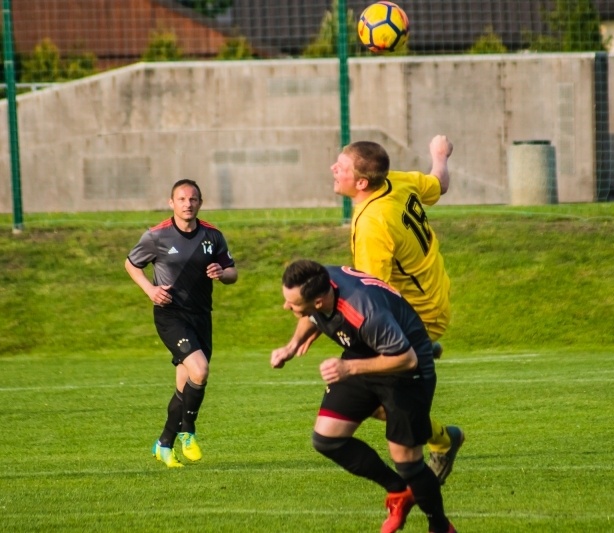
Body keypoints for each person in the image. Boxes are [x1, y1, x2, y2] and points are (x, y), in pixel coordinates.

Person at [271, 260, 456, 533]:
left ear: (319, 301)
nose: (286, 307)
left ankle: (440, 526)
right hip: (364, 354)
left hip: (407, 370)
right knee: (327, 439)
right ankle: (399, 491)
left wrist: (348, 368)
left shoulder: (364, 312)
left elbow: (407, 359)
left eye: (292, 303)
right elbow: (310, 316)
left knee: (406, 461)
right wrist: (291, 346)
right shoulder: (320, 280)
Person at [329, 134, 464, 485]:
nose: (333, 169)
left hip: (417, 315)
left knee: (370, 400)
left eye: (341, 167)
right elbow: (438, 184)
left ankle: (443, 439)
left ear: (362, 182)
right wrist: (439, 155)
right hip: (431, 299)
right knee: (365, 391)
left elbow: (373, 296)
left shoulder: (373, 224)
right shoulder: (395, 182)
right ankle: (422, 351)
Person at [125, 179, 238, 467]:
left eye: (193, 199)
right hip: (170, 314)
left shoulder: (213, 235)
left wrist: (221, 273)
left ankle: (164, 444)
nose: (188, 204)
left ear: (200, 203)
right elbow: (131, 264)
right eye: (182, 199)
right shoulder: (157, 235)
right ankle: (188, 431)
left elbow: (232, 273)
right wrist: (150, 290)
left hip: (201, 316)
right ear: (171, 202)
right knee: (200, 370)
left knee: (185, 386)